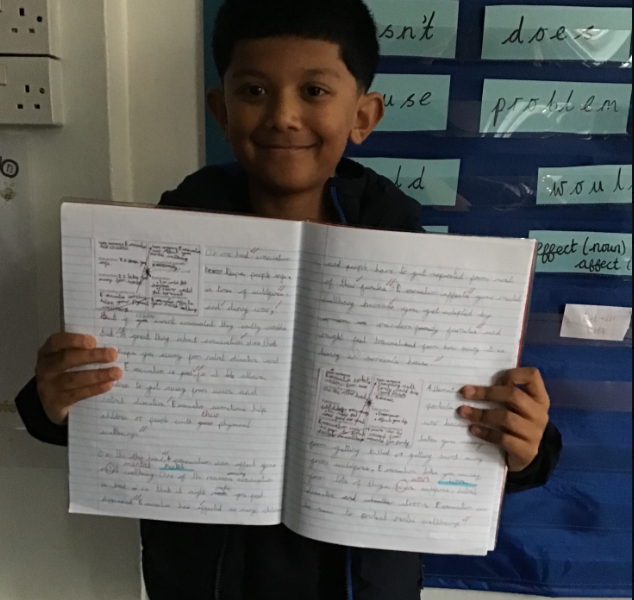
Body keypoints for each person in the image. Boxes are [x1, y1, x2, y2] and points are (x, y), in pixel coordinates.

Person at [15, 0, 563, 598]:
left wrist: (526, 447)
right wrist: (52, 401)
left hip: (361, 581)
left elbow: (466, 425)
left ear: (363, 115)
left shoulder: (417, 265)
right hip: (204, 579)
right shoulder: (157, 250)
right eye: (254, 91)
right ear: (221, 112)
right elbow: (114, 412)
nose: (283, 116)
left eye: (314, 91)